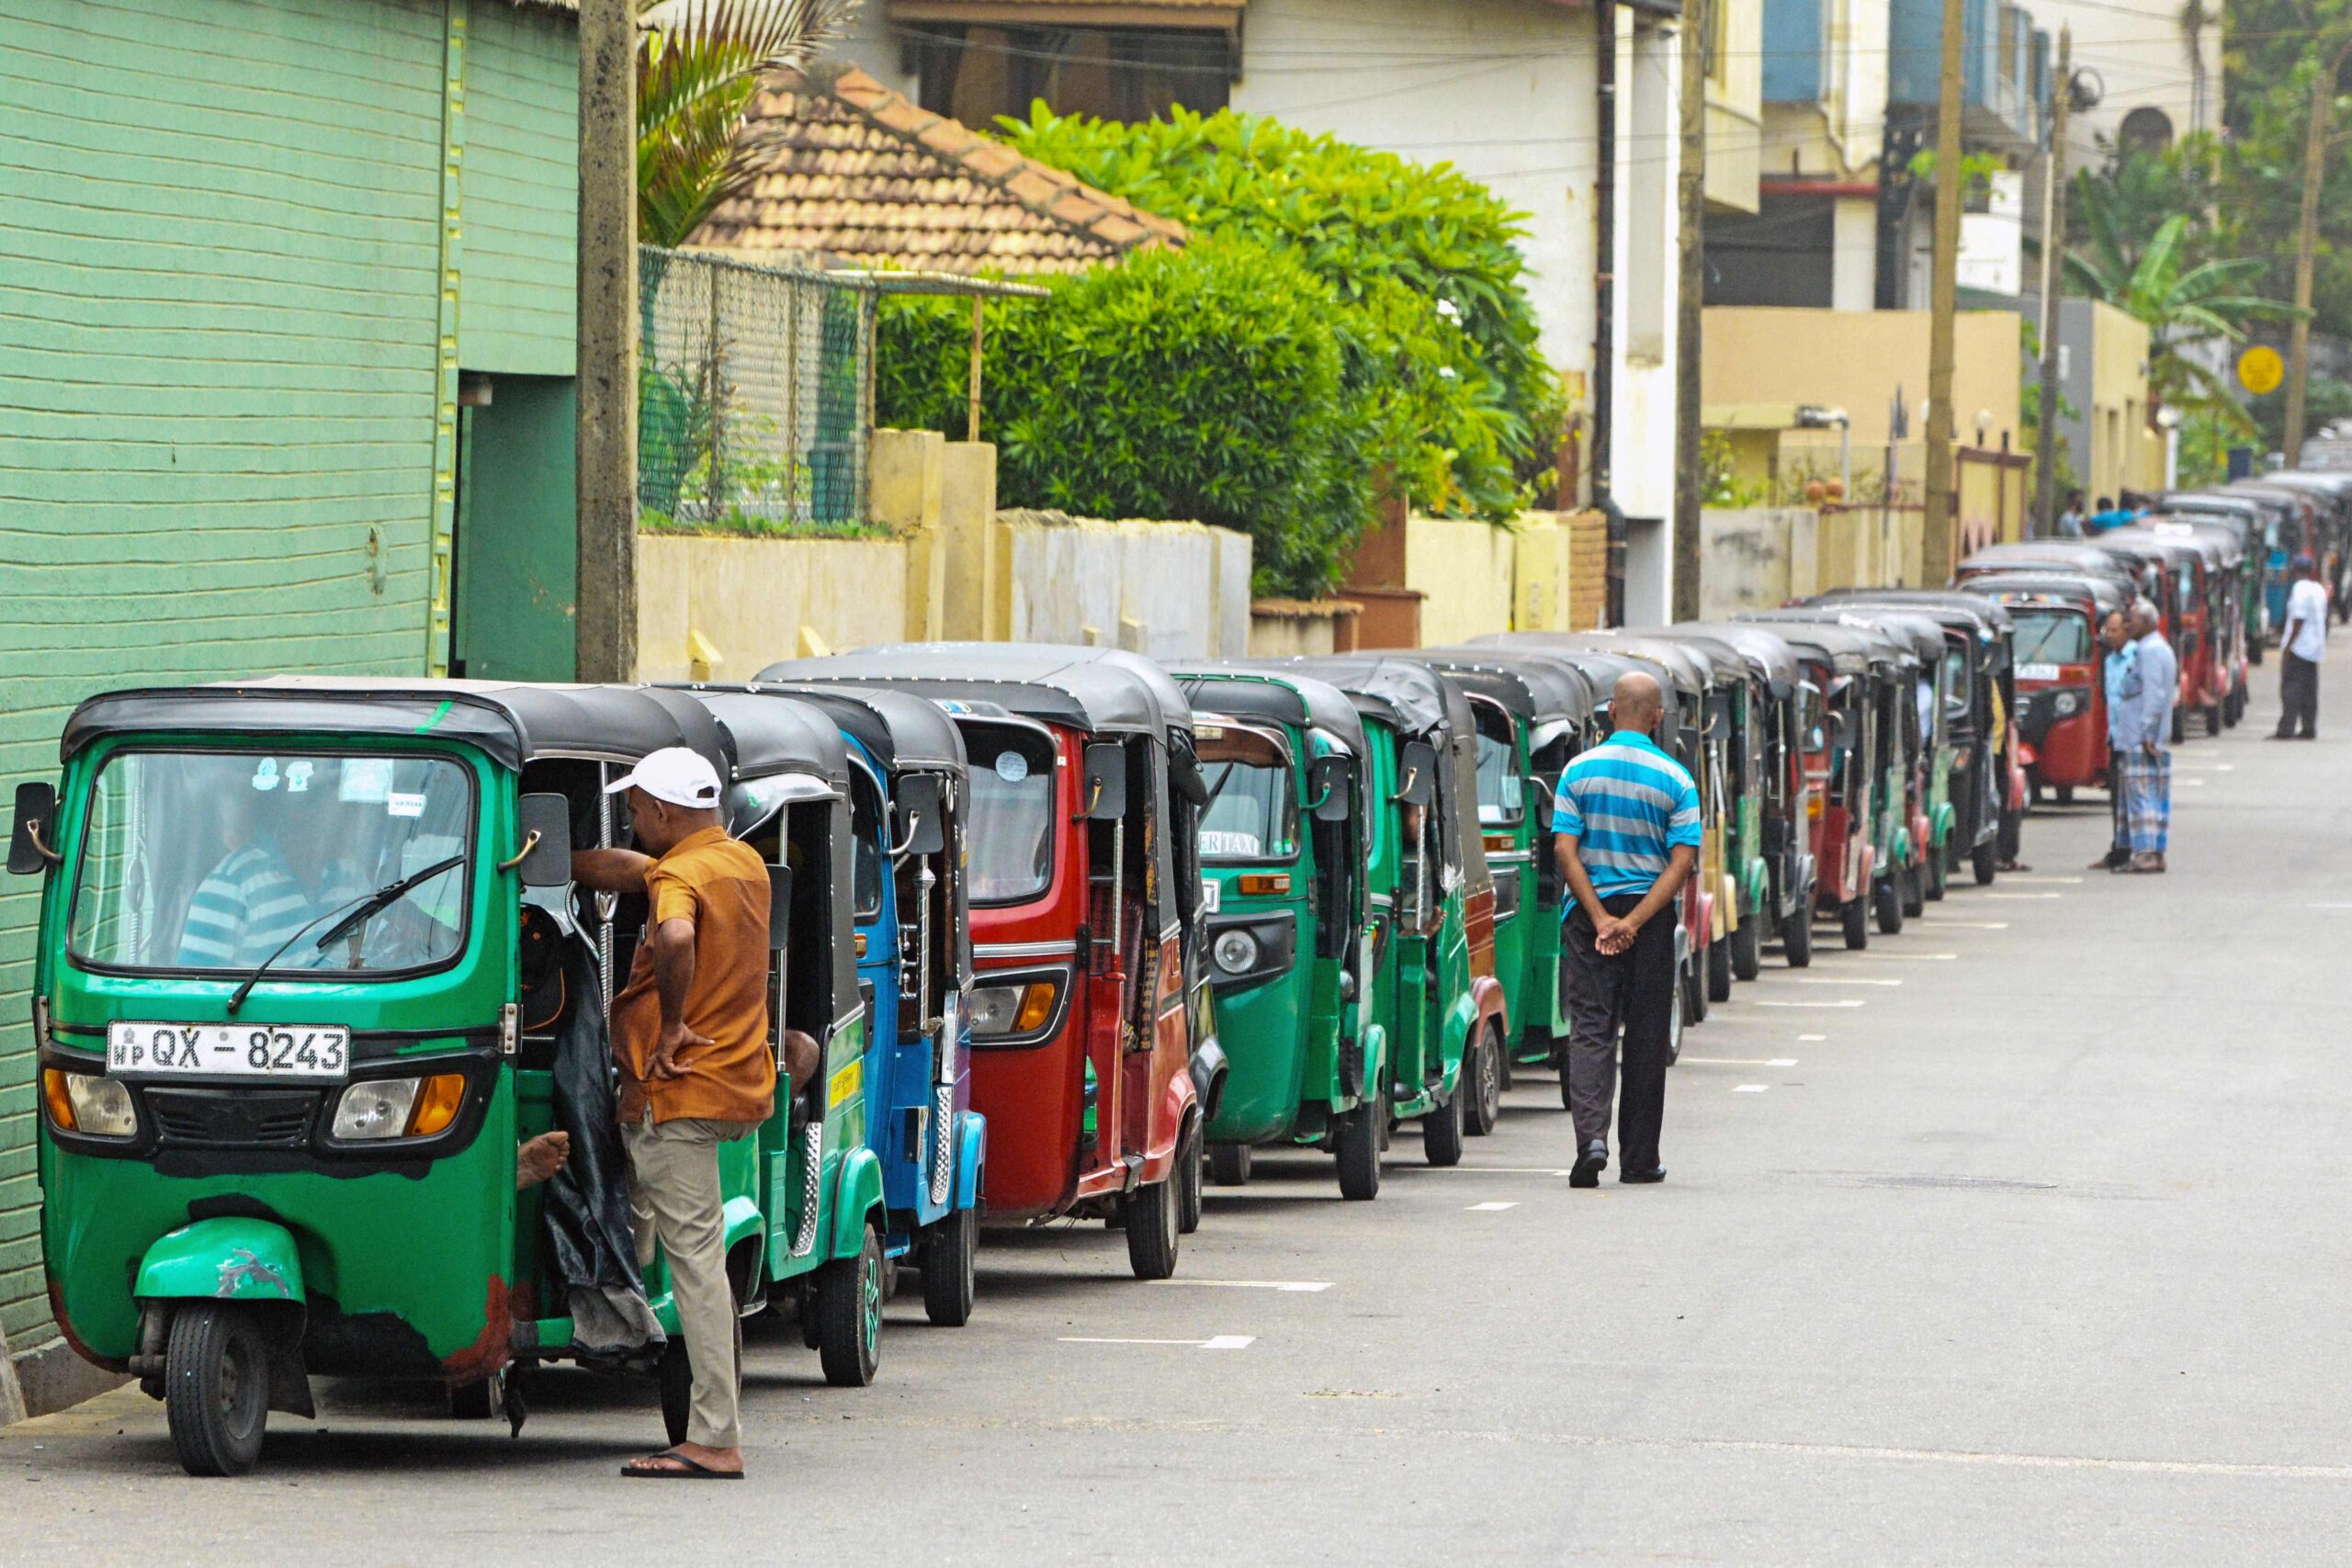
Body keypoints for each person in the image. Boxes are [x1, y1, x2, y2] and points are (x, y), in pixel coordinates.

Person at [572, 748, 775, 1481]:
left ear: (662, 811)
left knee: (696, 1264)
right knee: (681, 1245)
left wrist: (675, 1020)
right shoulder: (738, 862)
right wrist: (554, 859)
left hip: (679, 1092)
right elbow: (641, 870)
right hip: (733, 1085)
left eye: (637, 808)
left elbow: (677, 932)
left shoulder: (680, 882)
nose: (633, 816)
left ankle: (715, 1435)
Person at [1553, 671, 1702, 1190]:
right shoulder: (1677, 779)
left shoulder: (1577, 772)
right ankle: (1639, 1159)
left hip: (1587, 917)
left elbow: (1565, 850)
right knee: (1644, 1035)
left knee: (1591, 1028)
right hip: (1651, 919)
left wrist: (1599, 918)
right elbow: (1682, 862)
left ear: (1610, 711)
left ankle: (1590, 1142)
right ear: (1658, 718)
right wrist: (1634, 923)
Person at [2118, 602, 2177, 874]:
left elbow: (2155, 694)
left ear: (2148, 623)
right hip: (2149, 736)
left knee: (2142, 795)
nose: (2127, 626)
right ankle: (2153, 852)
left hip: (2141, 738)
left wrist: (2147, 732)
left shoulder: (2149, 651)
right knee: (2152, 795)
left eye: (2132, 621)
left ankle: (2146, 854)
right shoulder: (2157, 647)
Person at [2092, 608, 2140, 872]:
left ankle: (2133, 849)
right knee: (2116, 796)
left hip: (2133, 737)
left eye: (2114, 630)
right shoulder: (2109, 660)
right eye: (2107, 631)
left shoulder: (2136, 657)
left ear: (2127, 629)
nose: (2110, 636)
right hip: (2115, 736)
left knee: (2133, 796)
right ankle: (2119, 848)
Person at [2271, 553, 2326, 739]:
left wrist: (2288, 647)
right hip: (2315, 648)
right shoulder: (2319, 589)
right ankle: (2309, 728)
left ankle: (2286, 729)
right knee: (2310, 690)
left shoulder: (2299, 589)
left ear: (2295, 571)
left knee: (2291, 689)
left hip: (2299, 647)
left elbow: (2299, 619)